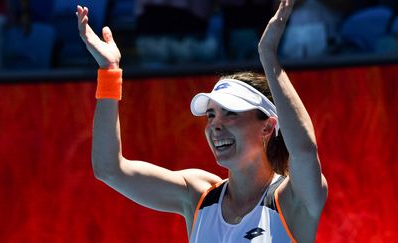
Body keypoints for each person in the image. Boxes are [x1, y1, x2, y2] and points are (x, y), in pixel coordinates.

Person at [76, 0, 328, 241]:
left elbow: (305, 149)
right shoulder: (198, 194)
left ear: (268, 126)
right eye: (211, 114)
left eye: (231, 113)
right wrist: (109, 72)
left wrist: (268, 57)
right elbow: (109, 169)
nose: (215, 124)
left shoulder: (292, 199)